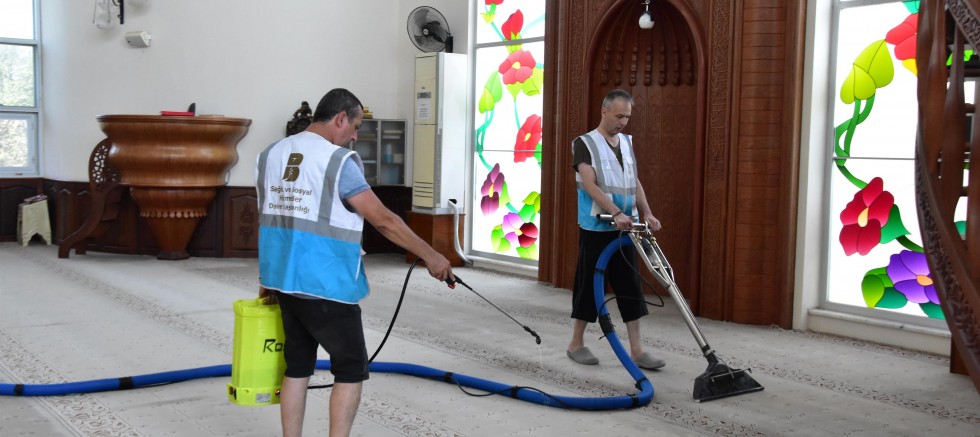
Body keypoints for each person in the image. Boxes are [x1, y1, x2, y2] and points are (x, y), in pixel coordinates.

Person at [256, 88, 454, 437]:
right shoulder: (337, 161)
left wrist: (266, 279)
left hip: (283, 279)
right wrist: (432, 255)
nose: (356, 136)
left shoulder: (271, 154)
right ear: (340, 118)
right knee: (350, 369)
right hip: (326, 284)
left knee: (297, 368)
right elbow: (383, 220)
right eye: (356, 126)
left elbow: (272, 217)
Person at [567, 89, 665, 370]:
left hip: (627, 227)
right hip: (598, 227)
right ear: (604, 111)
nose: (623, 121)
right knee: (589, 285)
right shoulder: (585, 143)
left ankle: (636, 350)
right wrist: (616, 211)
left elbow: (633, 180)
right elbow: (590, 184)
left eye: (627, 117)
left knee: (630, 286)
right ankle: (576, 343)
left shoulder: (625, 143)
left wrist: (646, 211)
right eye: (619, 115)